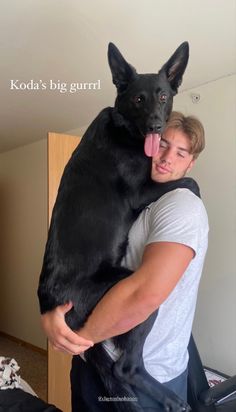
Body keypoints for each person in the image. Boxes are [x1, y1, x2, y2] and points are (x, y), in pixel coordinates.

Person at [41, 111, 208, 411]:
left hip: (144, 373)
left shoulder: (182, 204)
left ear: (190, 163)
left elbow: (144, 295)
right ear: (150, 144)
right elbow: (74, 252)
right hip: (93, 360)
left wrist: (79, 339)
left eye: (180, 153)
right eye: (163, 145)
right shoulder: (135, 198)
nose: (167, 157)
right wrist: (52, 311)